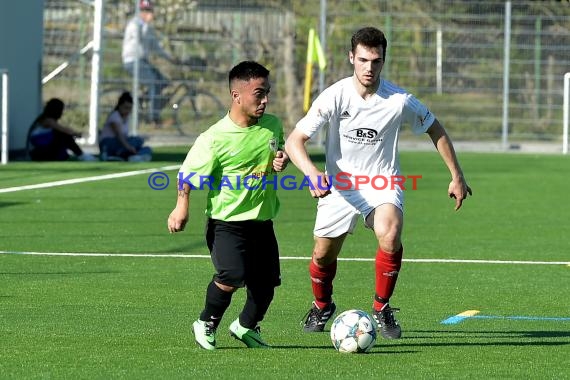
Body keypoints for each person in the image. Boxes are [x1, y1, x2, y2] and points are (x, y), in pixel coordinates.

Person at [285, 27, 472, 339]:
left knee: (390, 232)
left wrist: (457, 176)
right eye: (362, 60)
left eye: (376, 61)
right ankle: (322, 305)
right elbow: (295, 141)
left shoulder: (399, 100)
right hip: (339, 186)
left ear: (383, 61)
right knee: (322, 256)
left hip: (382, 183)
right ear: (351, 58)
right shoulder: (334, 95)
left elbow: (435, 129)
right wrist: (312, 173)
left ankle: (382, 307)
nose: (369, 67)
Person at [167, 61, 289, 350]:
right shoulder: (213, 138)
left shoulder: (271, 125)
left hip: (262, 221)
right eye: (259, 93)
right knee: (231, 276)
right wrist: (180, 207)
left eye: (268, 93)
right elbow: (186, 176)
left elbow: (279, 150)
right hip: (227, 223)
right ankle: (206, 322)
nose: (265, 100)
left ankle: (246, 327)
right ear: (236, 96)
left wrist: (282, 160)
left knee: (267, 285)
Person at [122, 0, 175, 128]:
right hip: (132, 61)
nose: (147, 14)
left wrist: (170, 58)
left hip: (142, 61)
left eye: (149, 11)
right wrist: (145, 24)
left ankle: (142, 100)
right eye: (144, 11)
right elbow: (138, 38)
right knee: (154, 83)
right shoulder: (134, 24)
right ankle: (154, 119)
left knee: (163, 82)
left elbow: (156, 47)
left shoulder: (147, 27)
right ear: (139, 11)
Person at [28, 98, 96, 162]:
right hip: (38, 152)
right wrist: (76, 134)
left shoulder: (45, 119)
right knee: (62, 135)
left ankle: (76, 155)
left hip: (43, 149)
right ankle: (81, 155)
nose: (61, 113)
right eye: (61, 110)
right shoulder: (48, 120)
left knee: (62, 136)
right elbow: (63, 130)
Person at [99, 91, 153, 162]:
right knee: (137, 140)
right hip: (109, 143)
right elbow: (119, 136)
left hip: (121, 145)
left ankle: (131, 156)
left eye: (130, 108)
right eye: (126, 108)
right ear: (120, 106)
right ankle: (122, 154)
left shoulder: (126, 118)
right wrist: (129, 147)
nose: (128, 111)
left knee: (147, 148)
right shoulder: (115, 116)